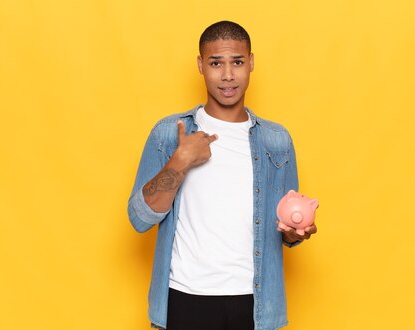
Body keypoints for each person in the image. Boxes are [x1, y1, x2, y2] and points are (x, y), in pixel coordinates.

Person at [127, 20, 317, 330]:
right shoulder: (169, 135)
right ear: (201, 65)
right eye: (216, 63)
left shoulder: (277, 142)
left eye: (237, 62)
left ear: (251, 63)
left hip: (254, 304)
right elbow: (139, 218)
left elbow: (285, 227)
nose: (228, 75)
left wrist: (295, 232)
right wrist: (180, 161)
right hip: (185, 297)